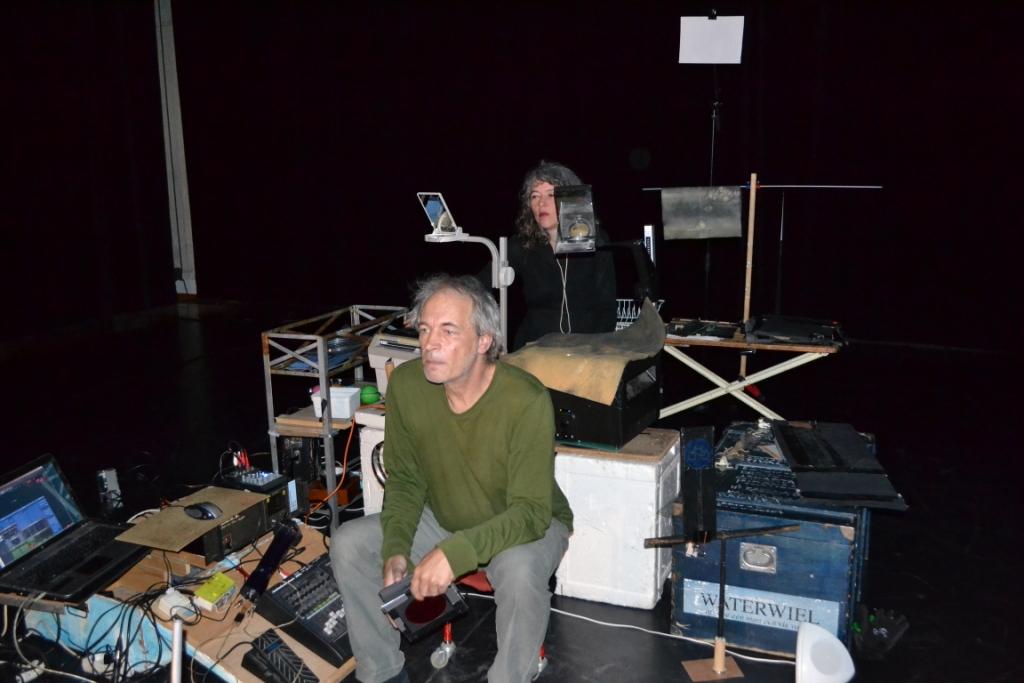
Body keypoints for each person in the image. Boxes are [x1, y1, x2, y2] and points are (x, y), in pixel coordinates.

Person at [330, 274, 573, 683]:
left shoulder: (525, 399)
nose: (430, 343)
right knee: (350, 543)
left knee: (519, 570)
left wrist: (453, 554)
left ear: (483, 341)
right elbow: (405, 481)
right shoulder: (407, 386)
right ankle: (382, 673)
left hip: (525, 523)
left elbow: (530, 513)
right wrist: (395, 551)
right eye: (425, 329)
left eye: (448, 330)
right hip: (446, 516)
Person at [504, 160, 618, 350]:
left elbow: (607, 307)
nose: (542, 203)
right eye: (535, 196)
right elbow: (482, 283)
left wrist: (595, 351)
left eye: (551, 194)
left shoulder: (596, 241)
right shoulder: (521, 245)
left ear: (572, 199)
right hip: (535, 349)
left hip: (586, 350)